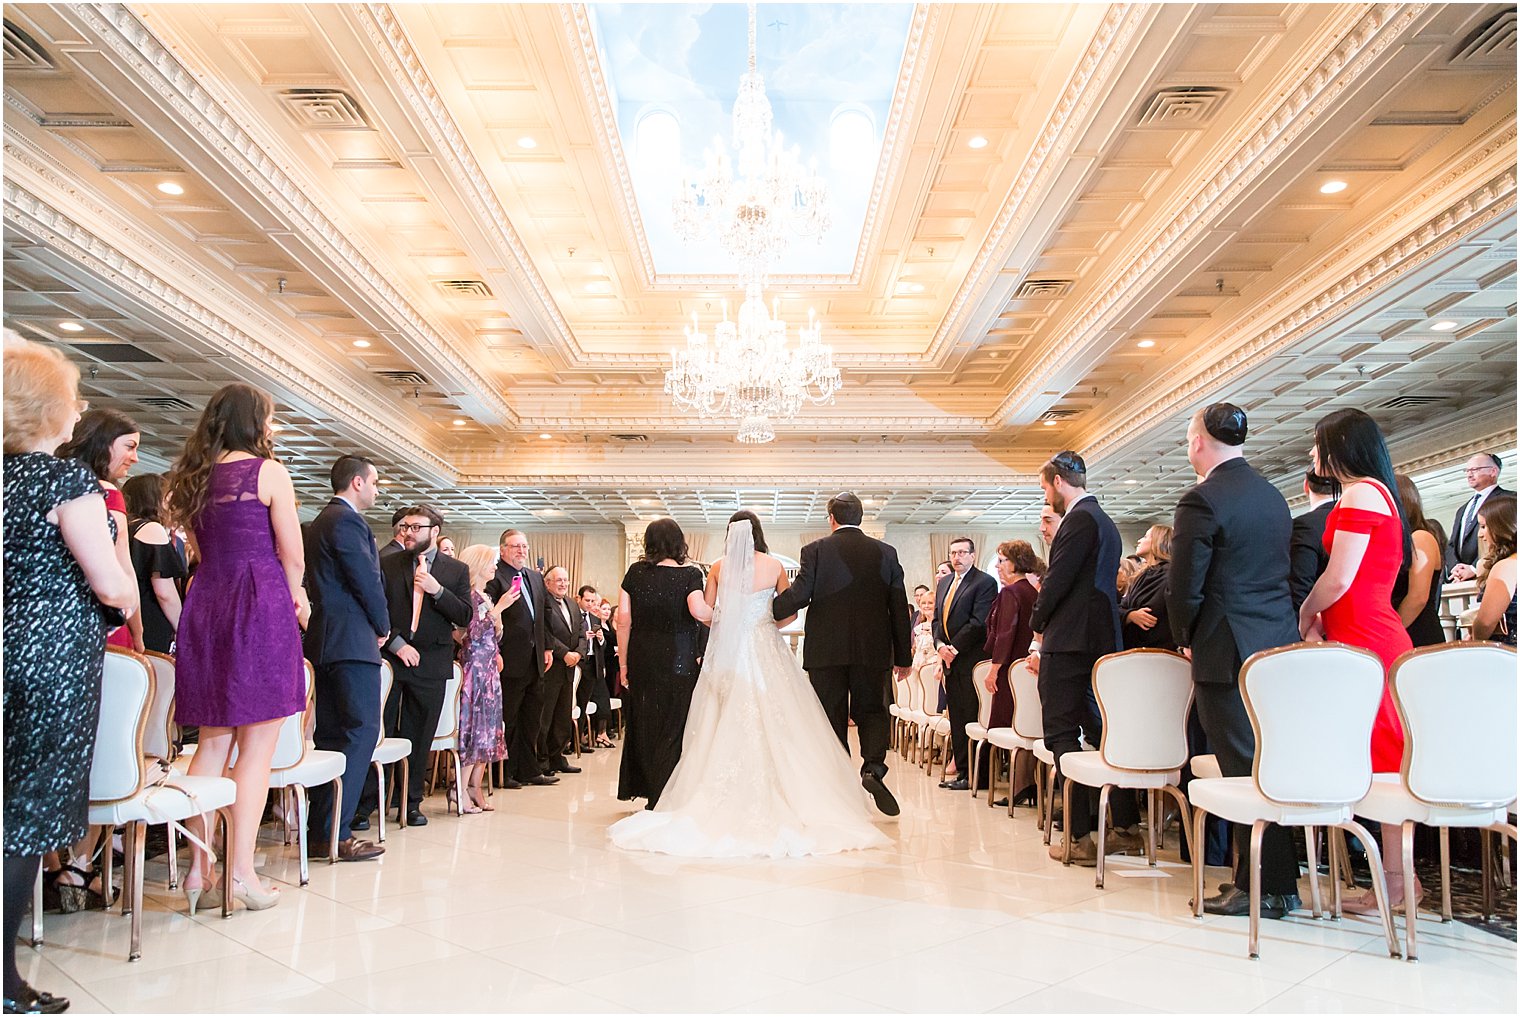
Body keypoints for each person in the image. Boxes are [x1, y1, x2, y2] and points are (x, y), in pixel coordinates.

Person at [610, 512, 890, 856]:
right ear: (758, 533)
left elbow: (706, 612)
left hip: (727, 654)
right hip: (764, 645)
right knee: (780, 716)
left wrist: (731, 622)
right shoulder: (773, 566)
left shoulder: (716, 566)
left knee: (719, 716)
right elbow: (786, 614)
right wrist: (761, 618)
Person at [4, 337, 135, 1015]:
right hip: (51, 655)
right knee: (24, 814)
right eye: (73, 398)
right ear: (49, 408)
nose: (78, 409)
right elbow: (111, 586)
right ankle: (4, 981)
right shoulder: (66, 481)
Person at [167, 382, 309, 914]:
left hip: (207, 601)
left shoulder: (193, 479)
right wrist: (296, 597)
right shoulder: (268, 473)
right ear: (255, 422)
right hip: (259, 603)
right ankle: (242, 873)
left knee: (209, 743)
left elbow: (202, 551)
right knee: (256, 749)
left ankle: (198, 872)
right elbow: (291, 556)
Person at [1168, 403, 1303, 919]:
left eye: (1187, 438)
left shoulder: (1201, 499)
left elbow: (1185, 585)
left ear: (1200, 441)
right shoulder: (1272, 497)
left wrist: (1184, 636)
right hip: (1275, 643)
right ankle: (1275, 882)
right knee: (1267, 765)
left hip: (1226, 649)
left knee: (1242, 771)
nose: (1188, 447)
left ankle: (1263, 887)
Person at [1298, 408, 1416, 914]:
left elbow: (1341, 577)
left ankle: (1394, 884)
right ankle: (1393, 882)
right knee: (1382, 757)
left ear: (1341, 446)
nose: (1311, 453)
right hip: (1363, 632)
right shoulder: (1374, 492)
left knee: (1386, 761)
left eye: (1318, 443)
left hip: (1369, 635)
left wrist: (1305, 610)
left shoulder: (1364, 492)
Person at [773, 496, 915, 815]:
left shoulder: (816, 550)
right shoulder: (886, 553)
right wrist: (903, 657)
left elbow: (800, 594)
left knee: (830, 715)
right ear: (860, 518)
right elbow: (898, 607)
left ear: (831, 518)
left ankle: (837, 781)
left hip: (826, 651)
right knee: (873, 711)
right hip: (873, 649)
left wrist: (766, 610)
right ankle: (873, 769)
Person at [1030, 451, 1138, 865]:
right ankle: (1125, 826)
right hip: (1097, 637)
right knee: (1098, 730)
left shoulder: (1078, 519)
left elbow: (1057, 582)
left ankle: (1079, 836)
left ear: (1058, 482)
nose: (1046, 496)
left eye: (1045, 487)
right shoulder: (1104, 521)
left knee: (1060, 733)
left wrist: (1037, 624)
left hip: (1071, 639)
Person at [301, 454, 388, 861]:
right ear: (356, 482)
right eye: (374, 482)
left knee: (331, 736)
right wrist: (383, 623)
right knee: (359, 733)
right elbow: (366, 580)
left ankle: (319, 831)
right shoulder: (348, 521)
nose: (377, 489)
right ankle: (338, 831)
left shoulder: (320, 521)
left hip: (323, 639)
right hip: (353, 640)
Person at [364, 505, 471, 826]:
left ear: (434, 532)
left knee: (419, 735)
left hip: (432, 661)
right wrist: (397, 644)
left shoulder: (455, 570)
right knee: (378, 731)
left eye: (415, 527)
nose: (407, 532)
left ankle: (410, 803)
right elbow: (375, 609)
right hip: (390, 659)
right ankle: (367, 803)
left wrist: (436, 590)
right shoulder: (387, 563)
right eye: (405, 526)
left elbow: (464, 615)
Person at [616, 518, 714, 808]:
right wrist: (724, 614)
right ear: (679, 542)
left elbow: (623, 620)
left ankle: (649, 790)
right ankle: (666, 792)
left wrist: (623, 664)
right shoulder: (689, 575)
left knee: (644, 721)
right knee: (675, 723)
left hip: (642, 656)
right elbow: (699, 611)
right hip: (679, 657)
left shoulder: (635, 572)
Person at [58, 408, 141, 651]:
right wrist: (137, 630)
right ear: (104, 444)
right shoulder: (108, 493)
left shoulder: (56, 484)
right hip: (98, 616)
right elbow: (122, 565)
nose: (135, 457)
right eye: (129, 446)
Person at [485, 530, 554, 789]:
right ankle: (504, 772)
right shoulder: (495, 576)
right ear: (502, 549)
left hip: (535, 658)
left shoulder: (534, 577)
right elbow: (487, 616)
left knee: (532, 718)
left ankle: (529, 769)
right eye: (515, 546)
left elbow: (543, 614)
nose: (521, 551)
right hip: (509, 658)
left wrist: (547, 647)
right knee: (509, 719)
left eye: (524, 546)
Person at [932, 536, 997, 792]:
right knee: (956, 716)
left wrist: (954, 648)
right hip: (949, 659)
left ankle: (977, 774)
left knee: (970, 715)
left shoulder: (984, 582)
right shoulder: (945, 582)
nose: (956, 557)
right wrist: (940, 647)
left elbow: (978, 622)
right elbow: (937, 619)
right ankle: (962, 771)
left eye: (962, 553)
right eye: (953, 553)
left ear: (972, 555)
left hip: (970, 657)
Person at [981, 540, 1040, 797]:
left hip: (1009, 670)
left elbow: (1005, 633)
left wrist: (994, 669)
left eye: (1002, 560)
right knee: (1026, 724)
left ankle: (1017, 785)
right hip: (1025, 668)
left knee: (1003, 726)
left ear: (1016, 562)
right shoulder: (1032, 591)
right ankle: (1026, 782)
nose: (997, 565)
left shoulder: (1011, 593)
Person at [455, 544, 508, 813]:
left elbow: (492, 635)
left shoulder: (484, 596)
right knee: (474, 728)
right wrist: (499, 609)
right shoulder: (469, 597)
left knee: (489, 727)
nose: (495, 567)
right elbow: (471, 633)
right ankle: (460, 788)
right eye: (491, 562)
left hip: (488, 669)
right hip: (474, 668)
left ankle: (475, 785)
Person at [122, 473, 185, 654]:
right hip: (150, 620)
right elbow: (164, 592)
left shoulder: (125, 526)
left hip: (128, 617)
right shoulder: (150, 529)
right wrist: (181, 627)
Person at [540, 566, 587, 776]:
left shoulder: (572, 604)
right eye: (558, 580)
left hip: (569, 668)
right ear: (547, 582)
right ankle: (543, 761)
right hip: (552, 666)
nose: (563, 584)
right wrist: (565, 653)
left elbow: (582, 633)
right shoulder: (543, 602)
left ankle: (558, 758)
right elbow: (545, 632)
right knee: (546, 717)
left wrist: (578, 653)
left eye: (566, 580)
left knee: (562, 717)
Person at [1393, 473, 1447, 647]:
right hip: (1406, 630)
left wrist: (1393, 631)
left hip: (1419, 632)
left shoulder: (1421, 537)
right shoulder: (1405, 539)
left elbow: (1418, 597)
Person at [1448, 453, 1510, 579]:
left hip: (1493, 575)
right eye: (1467, 470)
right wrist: (1455, 568)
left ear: (1493, 471)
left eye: (1475, 470)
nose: (1469, 474)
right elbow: (1452, 544)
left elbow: (1507, 540)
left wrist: (1474, 567)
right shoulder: (1463, 509)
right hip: (1461, 580)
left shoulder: (1509, 500)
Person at [1288, 470, 1337, 611]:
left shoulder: (1304, 525)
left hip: (1319, 623)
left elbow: (1299, 586)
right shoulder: (1355, 517)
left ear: (1306, 486)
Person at [1471, 495, 1517, 644]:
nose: (1480, 534)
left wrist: (1475, 638)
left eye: (1484, 526)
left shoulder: (1506, 566)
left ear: (1502, 526)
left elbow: (1485, 622)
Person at [1119, 524, 1173, 650]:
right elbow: (1122, 606)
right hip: (1136, 647)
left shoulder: (1170, 575)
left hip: (1158, 647)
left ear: (1158, 541)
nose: (1139, 540)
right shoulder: (1142, 576)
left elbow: (1153, 613)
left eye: (1145, 536)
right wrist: (1130, 615)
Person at [576, 585, 613, 747]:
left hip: (592, 663)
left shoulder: (595, 619)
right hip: (577, 662)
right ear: (579, 599)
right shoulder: (575, 616)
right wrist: (583, 636)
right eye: (587, 600)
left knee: (583, 702)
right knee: (573, 702)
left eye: (593, 601)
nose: (590, 604)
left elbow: (602, 646)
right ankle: (572, 739)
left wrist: (600, 639)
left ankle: (579, 739)